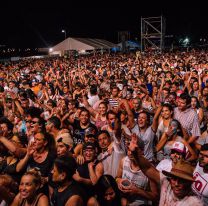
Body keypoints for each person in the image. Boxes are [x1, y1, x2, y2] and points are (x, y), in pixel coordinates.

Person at [128, 135, 203, 206]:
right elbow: (148, 168)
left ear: (188, 183)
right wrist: (135, 153)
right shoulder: (167, 184)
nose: (176, 183)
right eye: (174, 178)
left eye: (181, 180)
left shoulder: (194, 203)